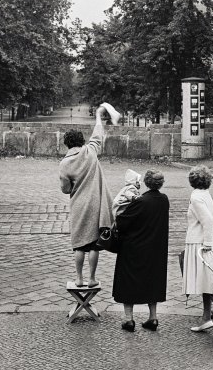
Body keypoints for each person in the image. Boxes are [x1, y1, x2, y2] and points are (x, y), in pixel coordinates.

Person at [59, 105, 113, 288]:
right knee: (93, 244)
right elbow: (98, 134)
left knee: (79, 244)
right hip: (96, 204)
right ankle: (92, 278)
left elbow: (65, 189)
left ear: (67, 144)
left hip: (79, 205)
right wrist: (99, 116)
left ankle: (79, 278)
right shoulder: (90, 152)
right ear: (82, 141)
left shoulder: (65, 163)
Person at [112, 169, 169, 332]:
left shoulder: (141, 201)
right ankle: (153, 317)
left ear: (146, 182)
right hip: (155, 248)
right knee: (153, 280)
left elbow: (122, 222)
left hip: (134, 247)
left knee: (127, 281)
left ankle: (128, 318)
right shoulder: (164, 200)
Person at [182, 165, 213, 332]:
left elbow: (208, 221)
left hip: (199, 243)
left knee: (207, 282)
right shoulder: (205, 194)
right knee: (207, 282)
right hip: (202, 242)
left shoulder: (196, 197)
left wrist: (207, 244)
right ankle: (206, 317)